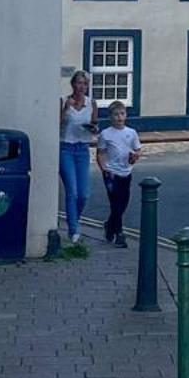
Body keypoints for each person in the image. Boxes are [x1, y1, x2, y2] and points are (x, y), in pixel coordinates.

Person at [96, 101, 142, 248]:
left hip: (126, 172)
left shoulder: (131, 133)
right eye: (116, 114)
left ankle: (110, 225)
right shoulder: (105, 134)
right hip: (111, 172)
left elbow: (137, 150)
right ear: (111, 117)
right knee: (115, 203)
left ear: (126, 115)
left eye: (122, 114)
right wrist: (104, 169)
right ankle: (119, 234)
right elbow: (101, 153)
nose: (119, 117)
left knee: (123, 202)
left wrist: (134, 157)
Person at [58, 72, 97, 246]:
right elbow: (57, 124)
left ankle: (74, 220)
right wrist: (66, 109)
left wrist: (94, 129)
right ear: (72, 84)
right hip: (66, 148)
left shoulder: (91, 103)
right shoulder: (64, 101)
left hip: (82, 149)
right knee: (72, 192)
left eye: (85, 84)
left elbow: (94, 124)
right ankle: (73, 231)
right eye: (78, 83)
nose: (81, 87)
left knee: (83, 194)